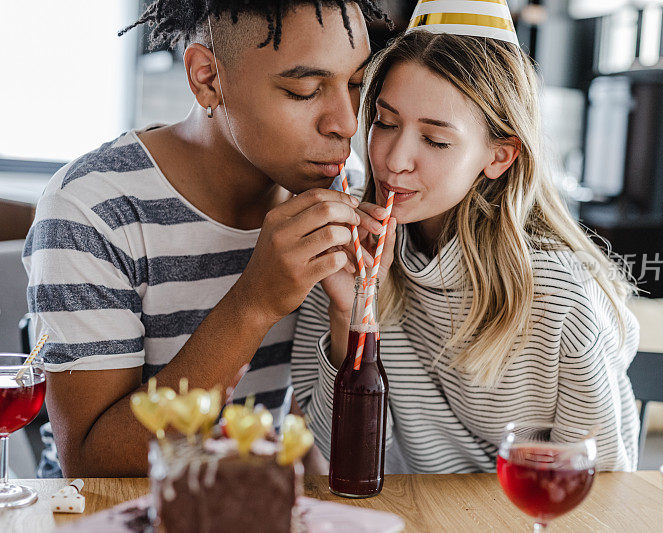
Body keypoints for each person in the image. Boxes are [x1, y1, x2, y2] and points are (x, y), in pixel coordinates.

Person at [22, 0, 390, 477]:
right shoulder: (92, 208)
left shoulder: (340, 194)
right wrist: (254, 303)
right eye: (304, 90)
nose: (346, 122)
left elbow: (324, 442)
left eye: (357, 84)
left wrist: (352, 310)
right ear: (207, 79)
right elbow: (92, 467)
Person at [291, 1, 641, 473]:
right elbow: (337, 455)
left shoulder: (559, 298)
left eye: (435, 140)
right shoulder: (347, 247)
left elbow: (604, 486)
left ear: (499, 156)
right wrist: (350, 309)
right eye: (385, 123)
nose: (395, 159)